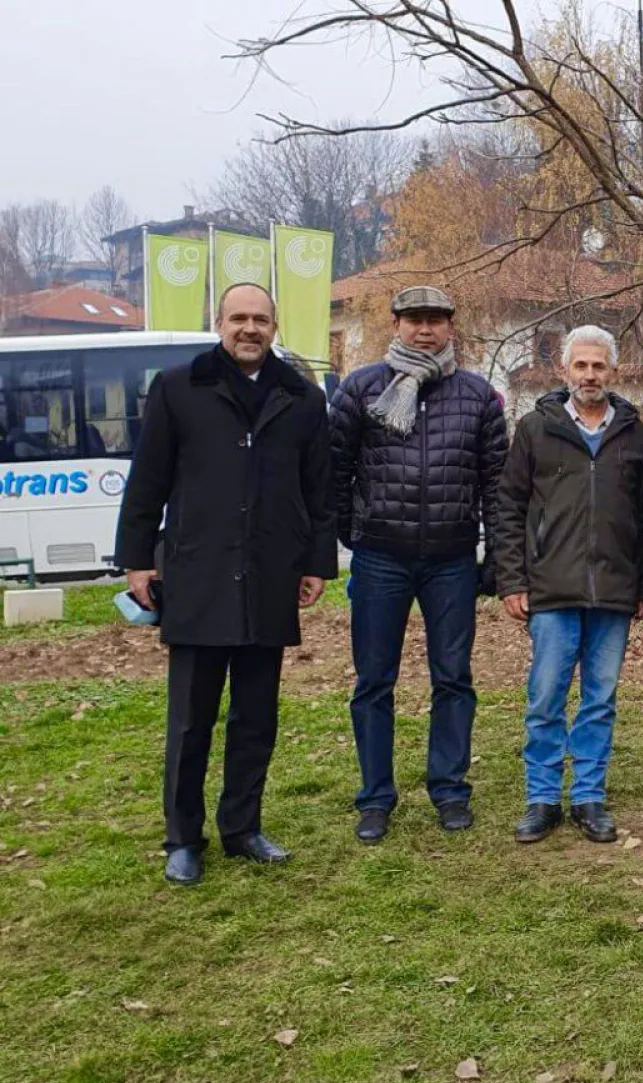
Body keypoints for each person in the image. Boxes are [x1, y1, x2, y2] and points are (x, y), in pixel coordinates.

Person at [114, 283, 337, 886]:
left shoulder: (302, 397)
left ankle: (242, 828)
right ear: (220, 322)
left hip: (269, 576)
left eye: (260, 319)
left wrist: (317, 562)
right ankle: (183, 838)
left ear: (275, 325)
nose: (249, 328)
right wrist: (137, 559)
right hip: (198, 574)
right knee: (190, 721)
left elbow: (319, 492)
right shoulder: (178, 387)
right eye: (238, 317)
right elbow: (148, 480)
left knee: (256, 717)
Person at [328, 286, 509, 843]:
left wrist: (497, 555)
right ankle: (375, 799)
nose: (424, 330)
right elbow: (334, 470)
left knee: (453, 678)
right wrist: (351, 534)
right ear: (396, 324)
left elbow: (497, 484)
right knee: (373, 681)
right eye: (414, 320)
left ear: (452, 326)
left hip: (451, 560)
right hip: (381, 557)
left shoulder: (478, 395)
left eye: (435, 320)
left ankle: (450, 790)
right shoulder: (362, 388)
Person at [494, 325, 643, 844]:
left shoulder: (634, 433)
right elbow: (509, 508)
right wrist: (512, 579)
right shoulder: (535, 429)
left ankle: (588, 796)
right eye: (580, 366)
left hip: (613, 590)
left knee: (600, 699)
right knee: (545, 699)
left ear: (613, 370)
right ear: (565, 371)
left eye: (599, 366)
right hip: (551, 588)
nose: (590, 375)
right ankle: (542, 799)